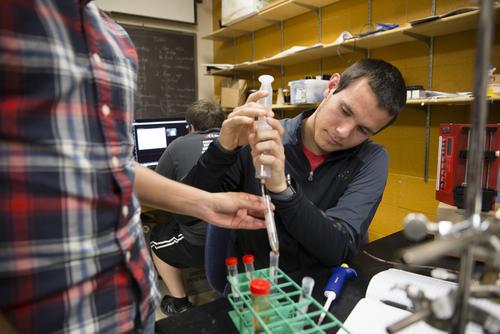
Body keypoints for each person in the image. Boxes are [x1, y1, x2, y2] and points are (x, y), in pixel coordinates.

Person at [0, 2, 267, 333]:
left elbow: (111, 164)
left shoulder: (117, 39)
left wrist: (207, 204)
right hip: (50, 317)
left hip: (134, 306)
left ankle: (176, 297)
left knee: (158, 234)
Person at [185, 59, 407, 276]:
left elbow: (338, 249)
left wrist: (283, 191)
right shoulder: (261, 138)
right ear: (331, 87)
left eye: (363, 130)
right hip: (257, 286)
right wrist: (223, 149)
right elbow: (188, 216)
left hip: (322, 288)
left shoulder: (371, 159)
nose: (343, 131)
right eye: (345, 111)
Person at [150, 99, 223, 315]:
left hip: (201, 241)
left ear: (189, 125)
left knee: (157, 236)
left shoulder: (177, 146)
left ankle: (180, 303)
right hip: (238, 237)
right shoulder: (237, 142)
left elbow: (156, 186)